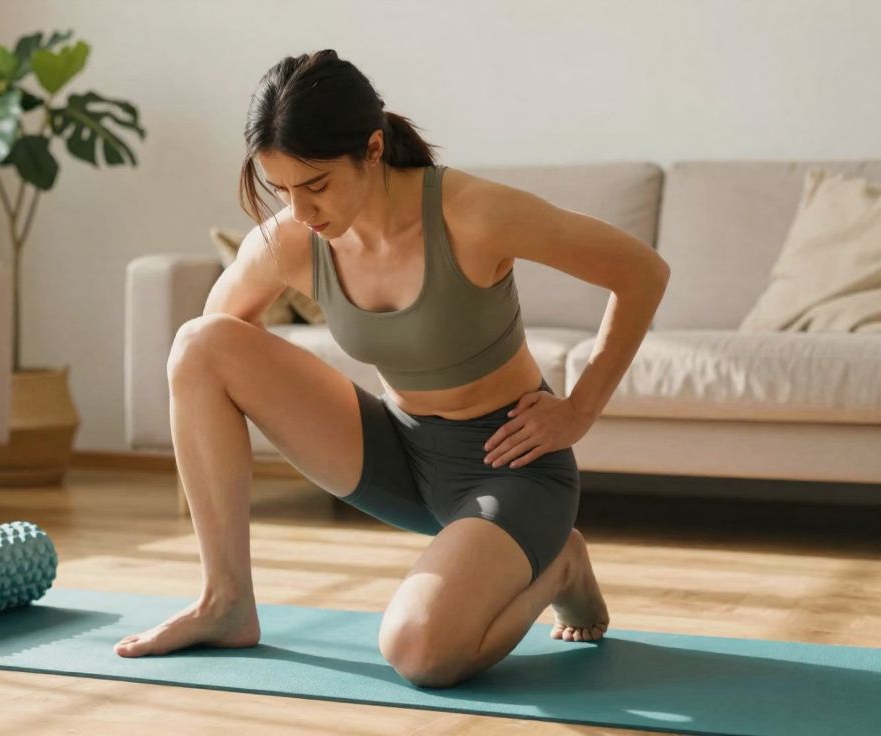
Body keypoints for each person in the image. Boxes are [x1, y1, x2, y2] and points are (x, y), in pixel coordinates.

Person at [114, 49, 669, 689]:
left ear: (373, 149)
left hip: (511, 468)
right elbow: (216, 352)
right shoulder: (293, 239)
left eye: (316, 185)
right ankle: (226, 600)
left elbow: (641, 271)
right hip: (396, 454)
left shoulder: (473, 212)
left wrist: (579, 410)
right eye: (282, 189)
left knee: (420, 652)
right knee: (198, 343)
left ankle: (559, 564)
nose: (300, 211)